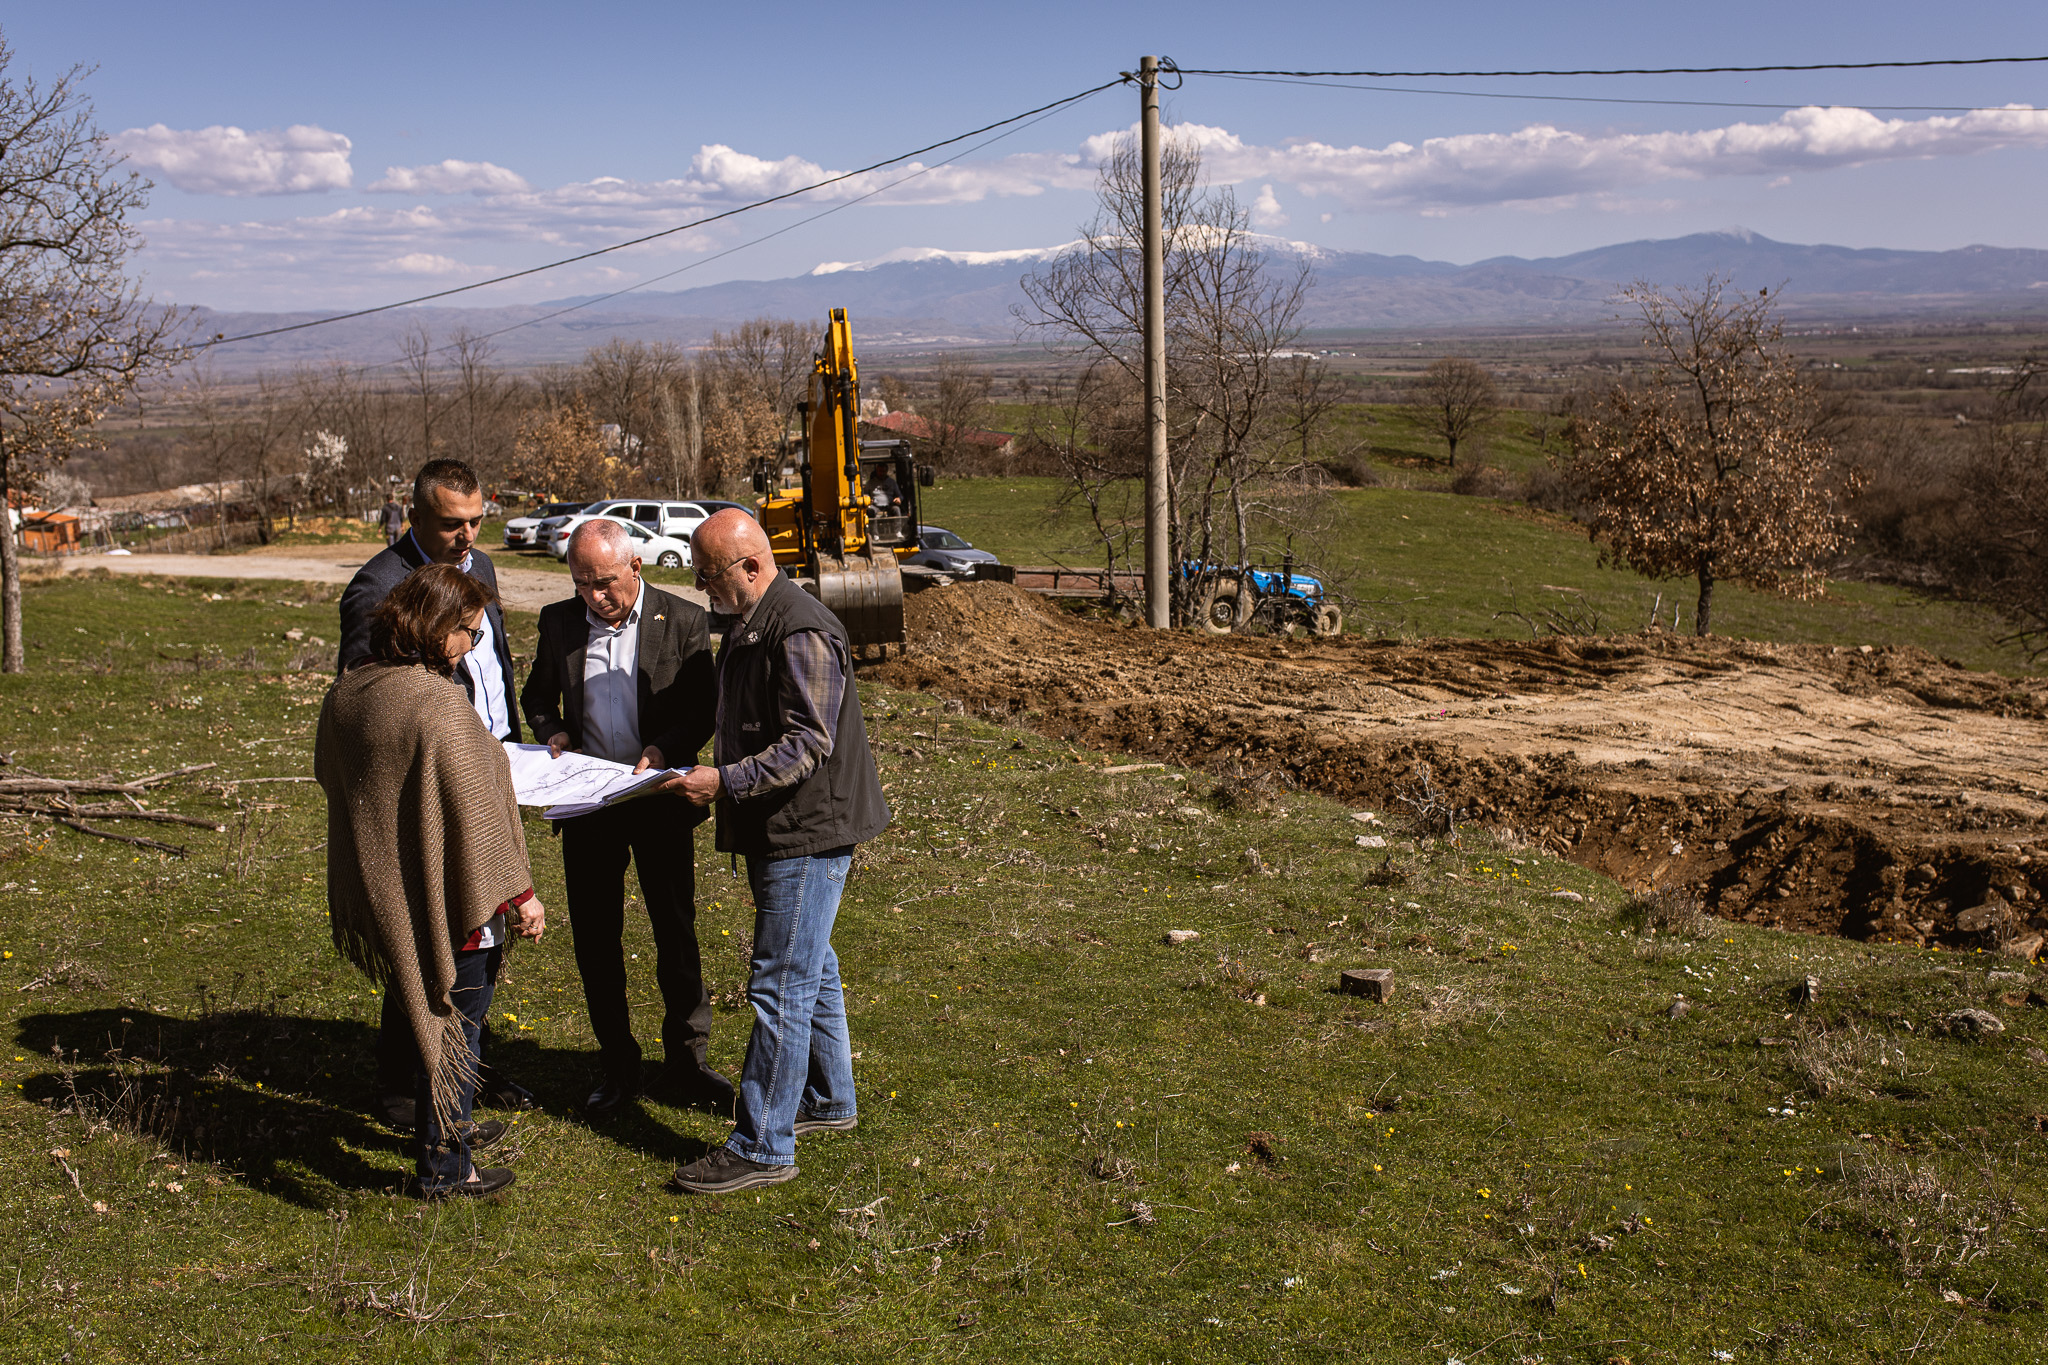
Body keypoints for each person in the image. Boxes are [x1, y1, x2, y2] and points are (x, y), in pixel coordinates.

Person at [662, 511, 889, 1196]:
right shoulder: (753, 619)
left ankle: (763, 1144)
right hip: (786, 827)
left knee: (780, 983)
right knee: (811, 964)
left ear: (752, 567)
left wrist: (724, 781)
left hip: (807, 832)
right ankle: (830, 1097)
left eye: (709, 574)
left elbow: (808, 742)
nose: (701, 587)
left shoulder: (800, 627)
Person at [315, 565, 547, 1199]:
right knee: (453, 1024)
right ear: (438, 628)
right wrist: (521, 896)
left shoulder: (351, 690)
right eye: (469, 632)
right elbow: (480, 817)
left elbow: (332, 774)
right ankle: (446, 1168)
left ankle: (451, 1124)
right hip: (453, 897)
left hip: (394, 892)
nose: (471, 646)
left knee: (420, 1009)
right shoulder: (438, 703)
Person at [339, 458, 530, 1128]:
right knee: (427, 941)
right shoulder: (377, 587)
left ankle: (463, 1070)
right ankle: (409, 1088)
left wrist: (508, 748)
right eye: (452, 523)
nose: (467, 535)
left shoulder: (480, 567)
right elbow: (369, 702)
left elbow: (493, 668)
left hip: (487, 768)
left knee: (479, 939)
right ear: (414, 515)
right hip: (429, 792)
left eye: (477, 520)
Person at [520, 519, 725, 1120]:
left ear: (635, 567)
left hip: (659, 800)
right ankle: (618, 1066)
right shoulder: (559, 622)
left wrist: (665, 748)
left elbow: (703, 707)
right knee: (595, 938)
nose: (595, 596)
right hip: (590, 805)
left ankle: (686, 1062)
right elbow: (537, 696)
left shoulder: (683, 619)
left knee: (675, 930)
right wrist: (552, 730)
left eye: (605, 582)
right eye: (582, 584)